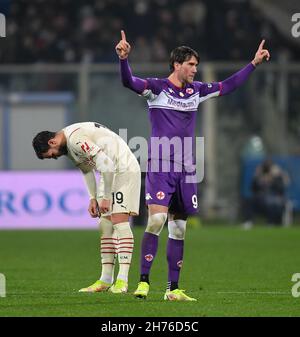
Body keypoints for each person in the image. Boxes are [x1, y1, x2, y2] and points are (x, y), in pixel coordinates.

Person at [115, 30, 270, 301]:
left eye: (196, 65)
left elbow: (229, 85)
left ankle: (173, 290)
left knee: (179, 229)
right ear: (176, 64)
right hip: (161, 164)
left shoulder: (196, 92)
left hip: (186, 169)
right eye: (191, 65)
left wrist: (253, 63)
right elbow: (129, 82)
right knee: (157, 220)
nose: (195, 70)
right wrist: (124, 60)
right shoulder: (157, 88)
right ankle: (143, 282)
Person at [32, 122, 141, 293]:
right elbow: (86, 169)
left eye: (51, 155)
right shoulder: (68, 144)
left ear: (52, 142)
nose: (54, 157)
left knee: (119, 222)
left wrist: (105, 197)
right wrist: (92, 197)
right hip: (109, 172)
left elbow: (106, 163)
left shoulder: (75, 139)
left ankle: (122, 281)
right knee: (105, 225)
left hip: (124, 169)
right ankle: (105, 280)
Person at [242, 159, 290, 229]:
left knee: (273, 203)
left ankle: (271, 223)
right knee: (249, 200)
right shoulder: (260, 176)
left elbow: (281, 189)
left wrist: (275, 177)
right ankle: (249, 222)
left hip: (274, 198)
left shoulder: (277, 176)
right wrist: (256, 177)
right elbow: (253, 189)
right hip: (261, 199)